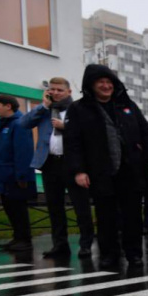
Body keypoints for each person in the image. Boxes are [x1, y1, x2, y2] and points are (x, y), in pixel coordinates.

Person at [64, 64, 148, 269]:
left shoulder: (127, 105)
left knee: (133, 215)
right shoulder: (79, 109)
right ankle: (109, 254)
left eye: (109, 82)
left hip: (130, 169)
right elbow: (72, 142)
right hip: (100, 171)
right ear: (91, 85)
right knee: (106, 216)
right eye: (101, 82)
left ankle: (134, 254)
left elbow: (146, 133)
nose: (106, 86)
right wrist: (79, 170)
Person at [18, 78, 95, 258]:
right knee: (54, 208)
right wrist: (43, 106)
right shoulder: (45, 110)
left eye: (60, 90)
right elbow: (23, 124)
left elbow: (89, 134)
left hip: (73, 164)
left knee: (80, 206)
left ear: (69, 92)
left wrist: (66, 127)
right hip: (50, 163)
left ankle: (86, 244)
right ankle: (60, 245)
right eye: (52, 89)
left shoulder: (78, 109)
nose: (55, 93)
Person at [0, 95, 36, 252]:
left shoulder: (19, 124)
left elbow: (23, 152)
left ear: (8, 106)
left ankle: (24, 239)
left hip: (14, 176)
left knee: (18, 208)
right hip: (4, 175)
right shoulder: (3, 125)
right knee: (10, 208)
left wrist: (22, 176)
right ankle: (17, 237)